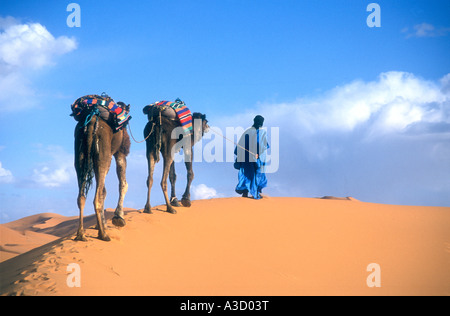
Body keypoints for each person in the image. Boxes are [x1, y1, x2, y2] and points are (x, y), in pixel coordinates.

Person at [234, 115, 270, 199]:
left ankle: (251, 192)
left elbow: (262, 145)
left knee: (251, 175)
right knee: (252, 174)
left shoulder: (250, 132)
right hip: (249, 159)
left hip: (253, 158)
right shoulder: (259, 132)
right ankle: (253, 193)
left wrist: (258, 153)